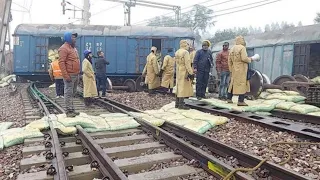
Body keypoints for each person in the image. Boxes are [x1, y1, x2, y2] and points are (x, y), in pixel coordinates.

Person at [58, 32, 80, 117]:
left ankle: (72, 109)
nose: (74, 39)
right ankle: (68, 111)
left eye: (75, 37)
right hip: (70, 75)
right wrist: (66, 75)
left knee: (73, 93)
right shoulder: (63, 48)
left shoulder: (73, 48)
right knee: (68, 93)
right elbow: (61, 63)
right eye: (73, 37)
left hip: (75, 74)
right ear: (68, 38)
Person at [227, 36, 253, 106]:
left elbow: (229, 61)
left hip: (234, 68)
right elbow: (244, 58)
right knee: (242, 83)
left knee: (233, 83)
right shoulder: (242, 48)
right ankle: (240, 101)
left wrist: (231, 70)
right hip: (241, 68)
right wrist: (250, 59)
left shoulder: (232, 48)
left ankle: (229, 98)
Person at [175, 40, 194, 109]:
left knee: (178, 86)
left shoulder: (177, 52)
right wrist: (191, 73)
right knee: (182, 87)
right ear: (185, 45)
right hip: (184, 71)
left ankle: (176, 103)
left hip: (178, 70)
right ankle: (181, 104)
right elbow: (187, 63)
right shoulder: (185, 52)